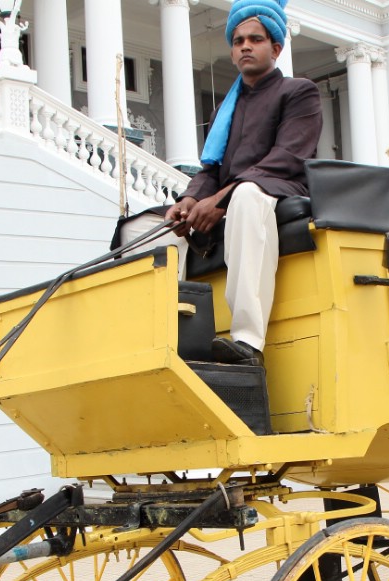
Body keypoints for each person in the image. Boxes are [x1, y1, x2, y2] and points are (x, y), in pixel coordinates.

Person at [164, 0, 321, 368]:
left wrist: (224, 195)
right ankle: (168, 336)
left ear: (276, 48)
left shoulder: (299, 92)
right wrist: (189, 199)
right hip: (233, 195)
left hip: (279, 190)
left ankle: (247, 341)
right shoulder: (225, 109)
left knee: (247, 196)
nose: (245, 46)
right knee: (164, 226)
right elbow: (210, 169)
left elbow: (289, 157)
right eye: (238, 41)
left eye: (255, 39)